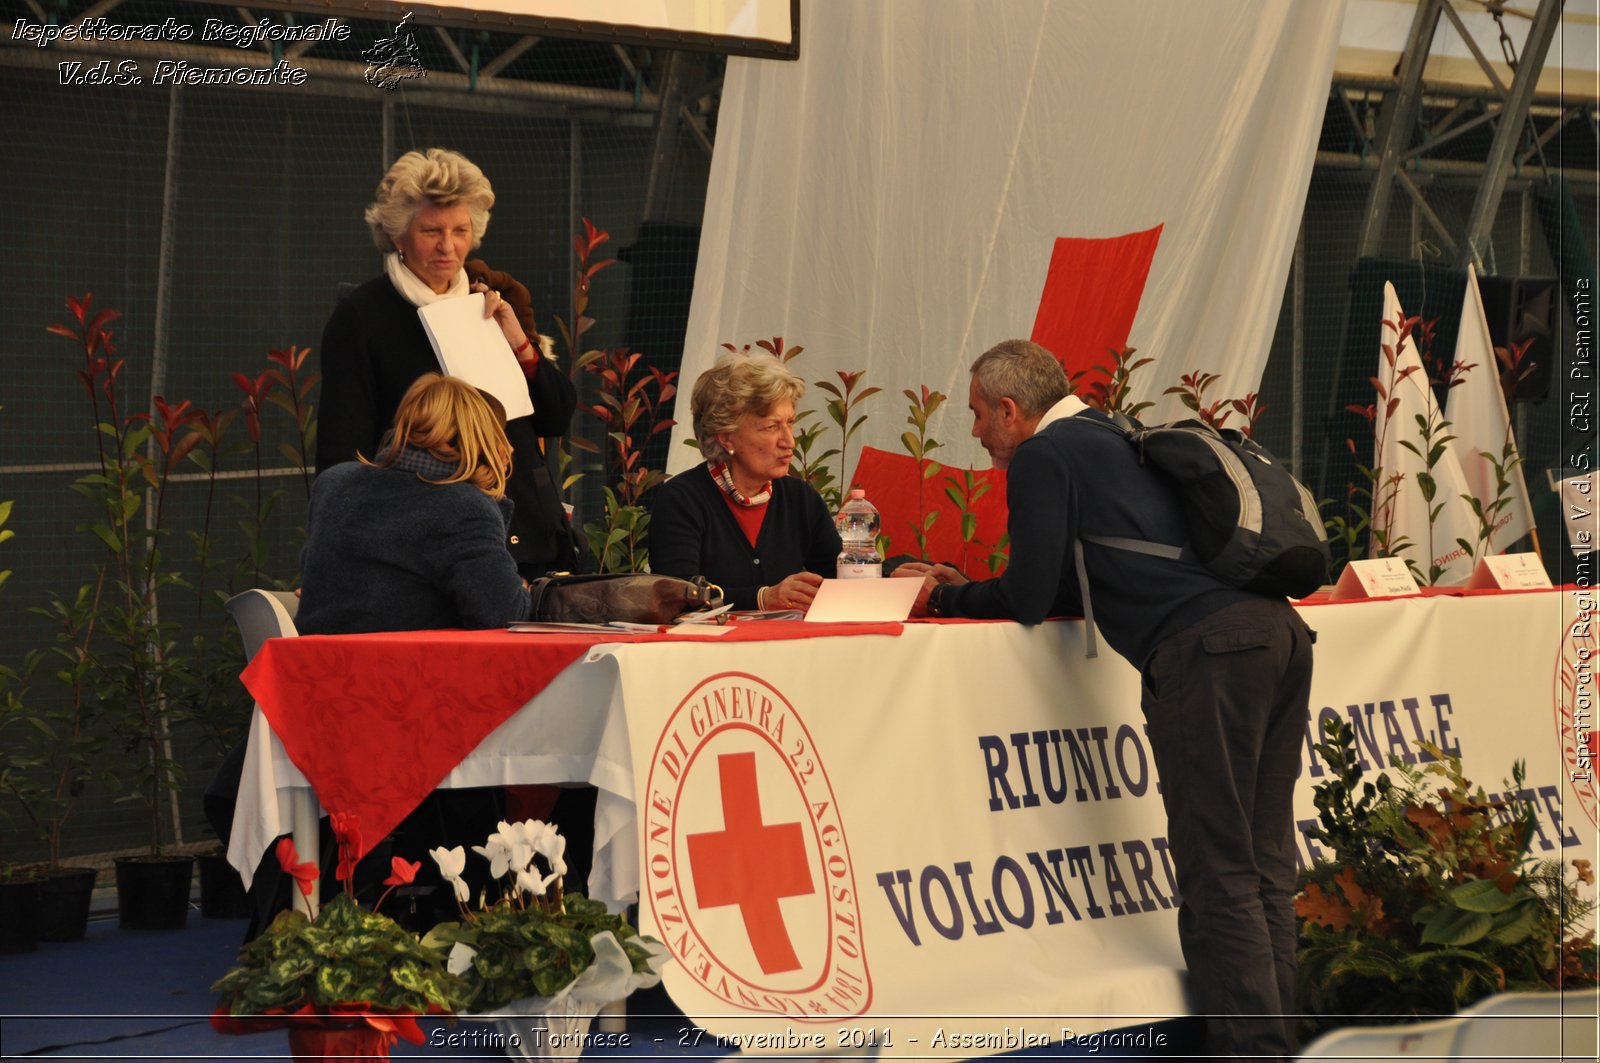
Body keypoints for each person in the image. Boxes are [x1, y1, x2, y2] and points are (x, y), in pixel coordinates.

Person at [897, 339, 1315, 1062]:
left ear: (1008, 408)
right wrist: (968, 584)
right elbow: (1068, 580)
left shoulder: (1042, 455)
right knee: (1264, 862)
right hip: (1279, 633)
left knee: (1218, 873)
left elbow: (1029, 596)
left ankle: (1254, 1051)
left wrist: (943, 594)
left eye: (977, 416)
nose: (976, 434)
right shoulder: (1113, 433)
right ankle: (1286, 1045)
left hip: (1206, 651)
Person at [317, 147, 579, 578]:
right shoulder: (362, 317)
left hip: (529, 536)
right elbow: (341, 454)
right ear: (397, 236)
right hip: (423, 545)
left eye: (460, 230)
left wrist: (522, 347)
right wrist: (339, 553)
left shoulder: (493, 299)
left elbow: (555, 416)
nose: (448, 246)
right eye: (431, 230)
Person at [297, 373, 531, 634]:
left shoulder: (334, 482)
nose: (509, 448)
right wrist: (522, 589)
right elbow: (501, 614)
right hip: (404, 669)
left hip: (312, 666)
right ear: (479, 438)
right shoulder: (463, 508)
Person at [650, 352, 841, 611]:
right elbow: (677, 596)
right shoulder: (682, 498)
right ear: (726, 437)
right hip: (708, 650)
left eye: (790, 423)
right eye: (771, 427)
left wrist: (893, 576)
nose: (789, 442)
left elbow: (841, 578)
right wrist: (762, 598)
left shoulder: (800, 498)